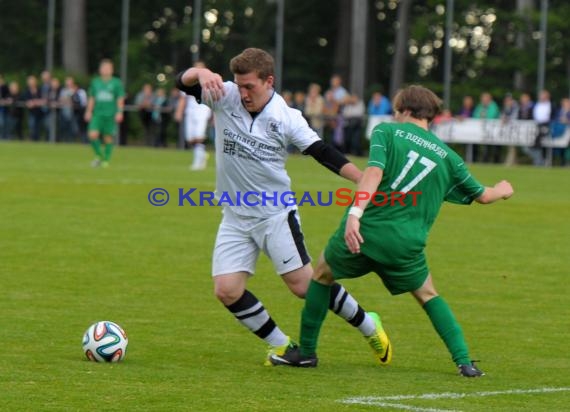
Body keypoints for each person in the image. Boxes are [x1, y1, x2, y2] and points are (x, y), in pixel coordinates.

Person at [270, 85, 514, 378]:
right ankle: (464, 362)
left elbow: (373, 173)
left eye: (397, 111)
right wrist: (502, 189)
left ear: (406, 110)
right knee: (428, 294)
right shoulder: (450, 159)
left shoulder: (387, 132)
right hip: (405, 246)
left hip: (364, 233)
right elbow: (483, 196)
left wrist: (356, 214)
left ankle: (307, 353)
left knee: (321, 275)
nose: (395, 116)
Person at [175, 47, 388, 366]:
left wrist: (362, 179)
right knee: (227, 290)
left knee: (304, 287)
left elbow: (323, 152)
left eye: (250, 86)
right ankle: (284, 345)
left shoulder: (286, 117)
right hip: (234, 215)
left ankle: (370, 326)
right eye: (239, 84)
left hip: (275, 214)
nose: (243, 93)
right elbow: (183, 82)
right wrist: (201, 73)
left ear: (269, 81)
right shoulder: (225, 95)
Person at [84, 59, 125, 168]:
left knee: (108, 138)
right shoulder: (95, 82)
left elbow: (120, 98)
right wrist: (88, 111)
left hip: (110, 114)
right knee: (92, 134)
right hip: (97, 113)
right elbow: (92, 98)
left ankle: (106, 160)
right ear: (100, 70)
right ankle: (99, 155)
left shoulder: (116, 83)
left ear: (112, 70)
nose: (106, 70)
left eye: (108, 68)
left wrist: (119, 112)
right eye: (104, 68)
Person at [175, 61, 213, 170]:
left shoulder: (208, 82)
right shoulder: (189, 83)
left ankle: (198, 161)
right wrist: (179, 112)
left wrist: (214, 115)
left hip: (202, 110)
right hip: (190, 112)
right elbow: (183, 99)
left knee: (198, 136)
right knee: (190, 139)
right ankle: (202, 155)